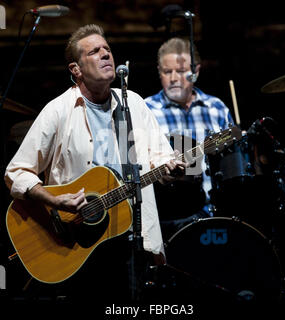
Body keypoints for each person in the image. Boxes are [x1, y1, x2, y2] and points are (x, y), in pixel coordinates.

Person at [4, 24, 186, 302]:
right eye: (95, 51)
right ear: (75, 69)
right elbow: (17, 172)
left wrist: (171, 169)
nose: (105, 54)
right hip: (77, 241)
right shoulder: (58, 110)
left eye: (108, 49)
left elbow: (160, 157)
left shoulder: (133, 103)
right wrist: (55, 202)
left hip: (132, 240)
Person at [145, 37, 235, 238]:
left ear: (196, 72)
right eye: (167, 72)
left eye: (181, 71)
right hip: (167, 217)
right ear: (159, 72)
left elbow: (232, 163)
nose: (174, 78)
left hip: (216, 212)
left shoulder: (217, 108)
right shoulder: (145, 110)